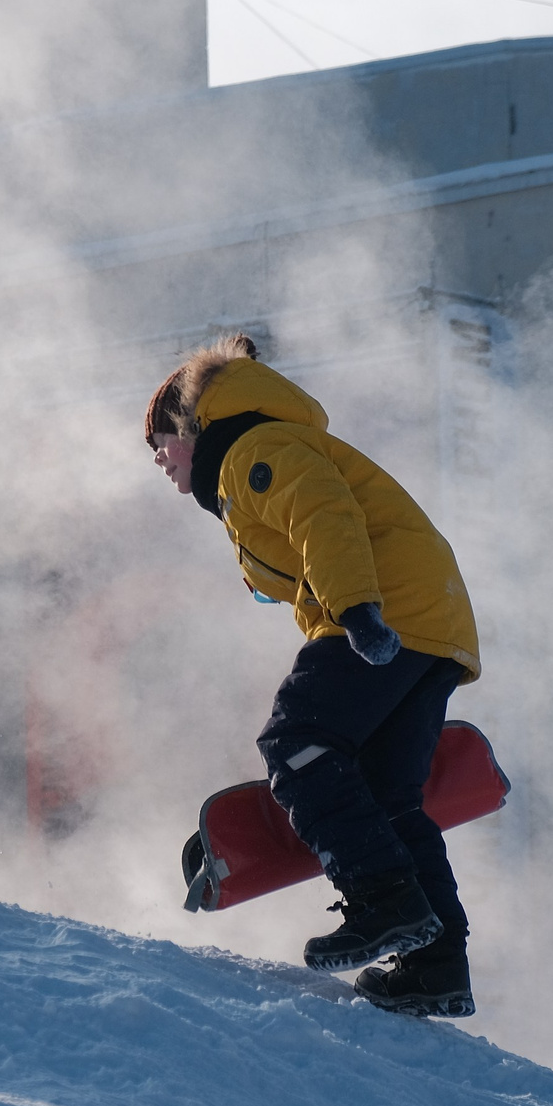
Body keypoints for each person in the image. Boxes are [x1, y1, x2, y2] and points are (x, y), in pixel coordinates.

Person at [144, 332, 481, 1017]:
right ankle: (435, 963)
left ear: (189, 425)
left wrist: (357, 611)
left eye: (159, 442)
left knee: (296, 743)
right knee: (388, 792)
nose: (158, 461)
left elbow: (325, 517)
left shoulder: (251, 451)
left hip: (388, 611)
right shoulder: (255, 458)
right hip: (431, 620)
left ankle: (382, 899)